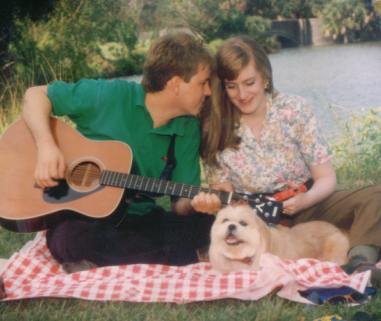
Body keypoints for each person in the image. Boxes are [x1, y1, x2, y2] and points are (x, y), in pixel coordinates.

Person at [22, 32, 217, 273]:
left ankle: (123, 261)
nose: (208, 91)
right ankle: (180, 257)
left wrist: (198, 205)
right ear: (176, 84)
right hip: (85, 220)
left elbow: (180, 205)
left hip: (143, 221)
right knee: (70, 238)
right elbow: (35, 95)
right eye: (203, 83)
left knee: (214, 224)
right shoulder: (107, 95)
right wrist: (47, 148)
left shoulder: (187, 129)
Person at [199, 36, 381, 286]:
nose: (241, 94)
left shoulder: (295, 109)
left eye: (249, 82)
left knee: (375, 196)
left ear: (265, 77)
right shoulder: (214, 128)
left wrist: (306, 199)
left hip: (309, 205)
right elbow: (227, 203)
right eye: (232, 86)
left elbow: (326, 177)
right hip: (255, 220)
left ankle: (361, 262)